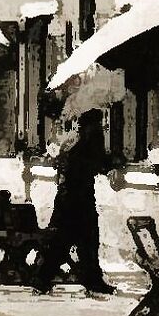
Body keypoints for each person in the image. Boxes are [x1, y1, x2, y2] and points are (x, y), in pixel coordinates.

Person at [39, 113, 116, 294]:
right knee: (79, 240)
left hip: (73, 200)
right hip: (77, 201)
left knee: (72, 241)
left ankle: (45, 277)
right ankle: (88, 279)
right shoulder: (86, 145)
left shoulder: (76, 144)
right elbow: (94, 164)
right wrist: (109, 165)